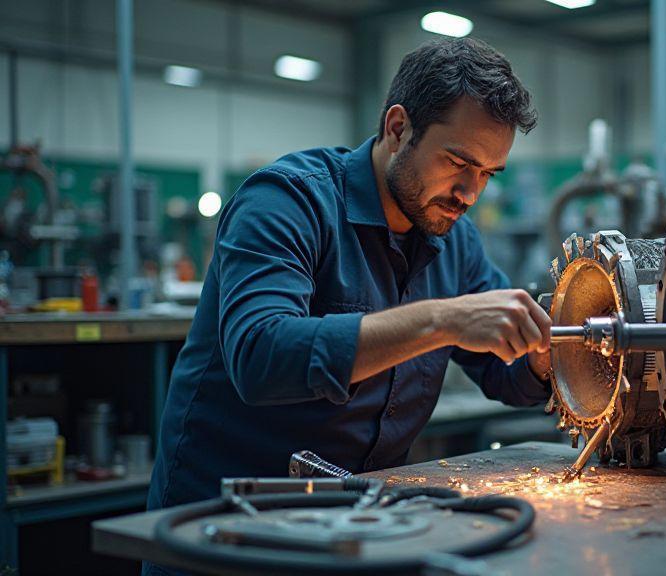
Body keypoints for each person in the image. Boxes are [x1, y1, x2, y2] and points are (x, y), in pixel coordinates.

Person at [145, 36, 551, 547]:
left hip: (355, 525)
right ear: (398, 128)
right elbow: (261, 355)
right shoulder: (286, 201)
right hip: (225, 530)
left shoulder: (455, 240)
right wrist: (442, 320)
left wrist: (547, 352)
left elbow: (505, 371)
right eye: (459, 163)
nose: (470, 193)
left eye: (488, 174)